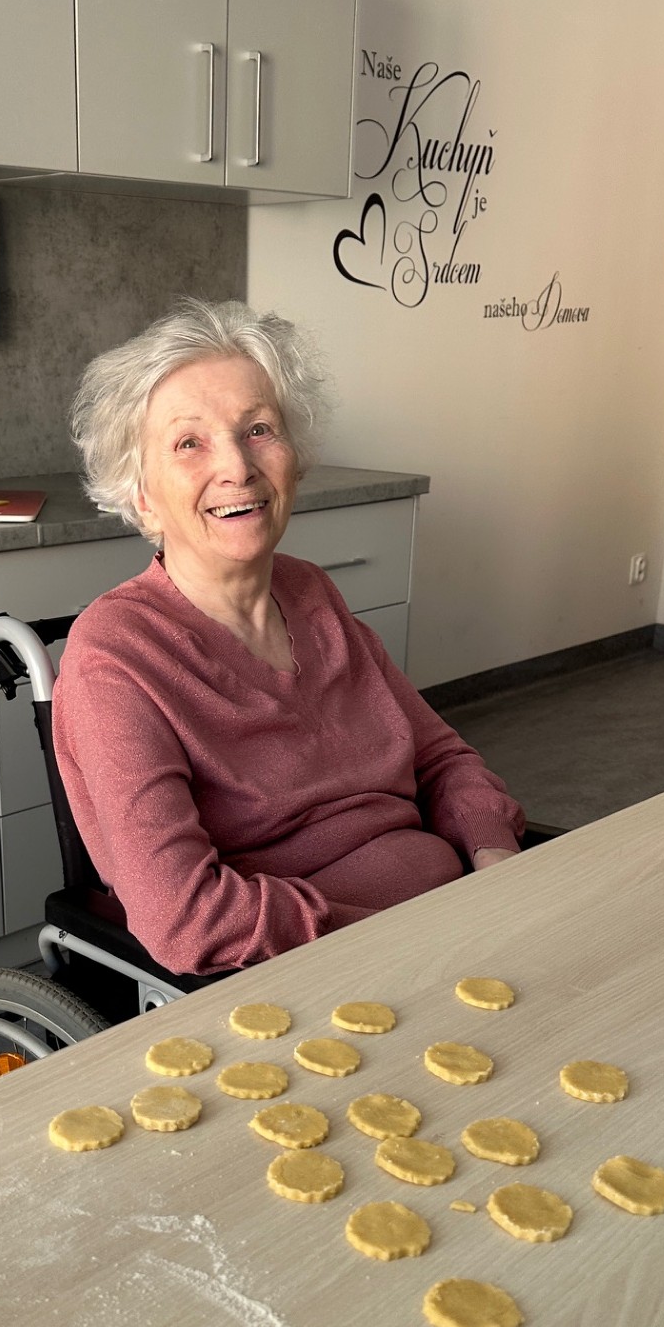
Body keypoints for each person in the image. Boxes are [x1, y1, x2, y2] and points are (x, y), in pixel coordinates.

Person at [52, 299, 524, 977]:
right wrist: (396, 933)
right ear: (143, 496)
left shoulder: (311, 593)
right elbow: (184, 919)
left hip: (463, 926)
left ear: (292, 459)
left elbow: (440, 759)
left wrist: (493, 854)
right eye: (189, 443)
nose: (237, 468)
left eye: (259, 430)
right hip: (322, 972)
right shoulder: (115, 658)